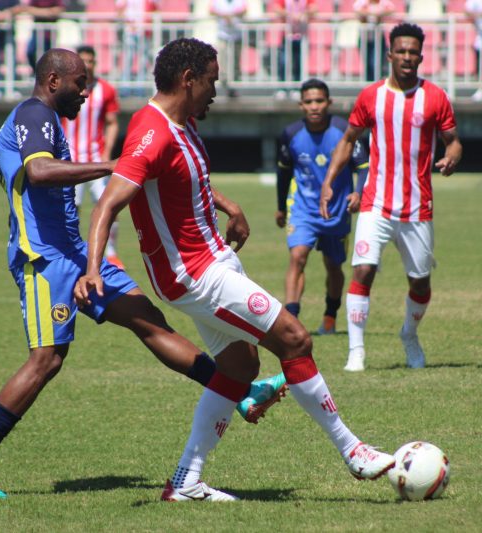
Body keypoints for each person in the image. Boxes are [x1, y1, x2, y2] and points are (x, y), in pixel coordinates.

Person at [0, 48, 287, 500]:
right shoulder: (33, 114)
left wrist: (220, 201)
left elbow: (169, 174)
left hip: (77, 253)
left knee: (148, 320)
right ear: (51, 81)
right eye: (79, 83)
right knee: (47, 359)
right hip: (43, 259)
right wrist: (114, 166)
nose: (87, 92)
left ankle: (239, 391)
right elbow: (40, 172)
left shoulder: (44, 119)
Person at [74, 37, 396, 502]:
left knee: (241, 365)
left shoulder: (179, 124)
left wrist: (229, 205)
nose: (215, 92)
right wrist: (92, 268)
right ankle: (354, 451)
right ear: (189, 80)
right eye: (211, 82)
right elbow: (109, 202)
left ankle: (186, 482)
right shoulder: (151, 131)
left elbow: (188, 179)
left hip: (211, 261)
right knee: (295, 339)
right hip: (194, 274)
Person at [320, 23, 463, 371]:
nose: (407, 57)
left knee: (420, 282)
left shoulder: (436, 97)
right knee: (363, 270)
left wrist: (453, 157)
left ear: (421, 56)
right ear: (390, 55)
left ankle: (409, 335)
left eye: (413, 52)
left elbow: (453, 140)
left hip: (417, 208)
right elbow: (349, 139)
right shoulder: (371, 96)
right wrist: (330, 180)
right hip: (375, 204)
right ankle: (356, 350)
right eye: (401, 51)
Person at [275, 78, 368, 335]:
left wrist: (358, 193)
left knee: (333, 266)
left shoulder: (346, 131)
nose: (314, 106)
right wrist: (281, 207)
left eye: (319, 101)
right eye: (308, 102)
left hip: (337, 211)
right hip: (302, 209)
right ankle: (292, 321)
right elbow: (283, 174)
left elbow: (363, 167)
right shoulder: (290, 135)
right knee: (297, 257)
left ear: (329, 103)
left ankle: (330, 314)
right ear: (301, 105)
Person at [60, 45, 124, 268]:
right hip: (71, 160)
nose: (87, 65)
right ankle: (71, 249)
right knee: (71, 207)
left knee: (109, 204)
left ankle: (112, 252)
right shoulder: (67, 89)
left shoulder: (106, 90)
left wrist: (107, 153)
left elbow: (112, 123)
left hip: (97, 159)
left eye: (91, 61)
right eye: (83, 61)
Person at [269, 0, 314, 96]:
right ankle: (282, 87)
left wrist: (303, 14)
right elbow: (276, 8)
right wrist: (289, 14)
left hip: (301, 37)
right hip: (287, 36)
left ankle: (297, 88)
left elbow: (314, 8)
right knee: (283, 62)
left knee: (298, 63)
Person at [210, 0, 248, 96]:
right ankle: (225, 83)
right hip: (223, 35)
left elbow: (245, 10)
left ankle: (233, 86)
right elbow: (211, 10)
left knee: (235, 62)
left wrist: (232, 15)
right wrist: (224, 16)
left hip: (236, 36)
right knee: (222, 62)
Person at [353, 0, 396, 82]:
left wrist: (379, 14)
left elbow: (391, 10)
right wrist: (373, 14)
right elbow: (358, 12)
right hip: (364, 37)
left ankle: (377, 82)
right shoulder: (362, 2)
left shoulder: (383, 2)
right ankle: (369, 82)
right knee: (367, 63)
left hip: (378, 37)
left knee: (377, 63)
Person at [20, 0, 65, 71]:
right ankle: (37, 74)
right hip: (36, 32)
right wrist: (46, 12)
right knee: (30, 52)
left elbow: (59, 9)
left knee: (49, 58)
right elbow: (29, 9)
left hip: (50, 34)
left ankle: (46, 76)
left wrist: (39, 12)